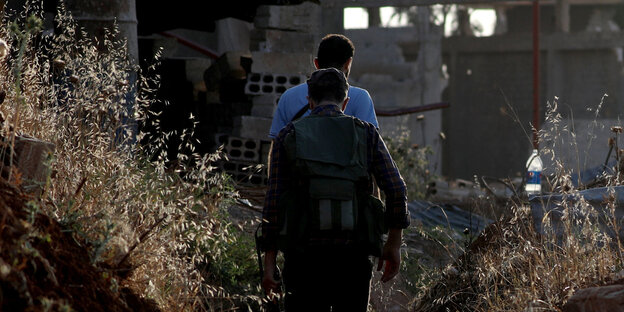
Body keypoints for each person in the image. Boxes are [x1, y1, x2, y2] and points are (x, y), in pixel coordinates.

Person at [261, 68, 410, 312]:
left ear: (309, 101)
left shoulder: (288, 136)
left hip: (303, 260)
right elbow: (396, 188)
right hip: (353, 259)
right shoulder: (367, 133)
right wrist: (393, 245)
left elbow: (273, 203)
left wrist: (269, 266)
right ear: (346, 101)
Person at [268, 33, 378, 139]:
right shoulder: (360, 98)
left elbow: (276, 144)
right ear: (348, 63)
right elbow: (371, 144)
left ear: (316, 63)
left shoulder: (288, 97)